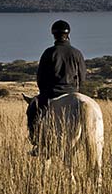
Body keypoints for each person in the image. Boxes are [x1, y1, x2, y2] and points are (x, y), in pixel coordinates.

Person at [27, 20, 87, 153]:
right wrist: (77, 90)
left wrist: (43, 93)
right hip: (73, 92)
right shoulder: (77, 53)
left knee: (32, 110)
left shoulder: (49, 53)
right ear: (68, 34)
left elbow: (40, 78)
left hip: (52, 93)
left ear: (54, 35)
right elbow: (82, 76)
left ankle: (36, 142)